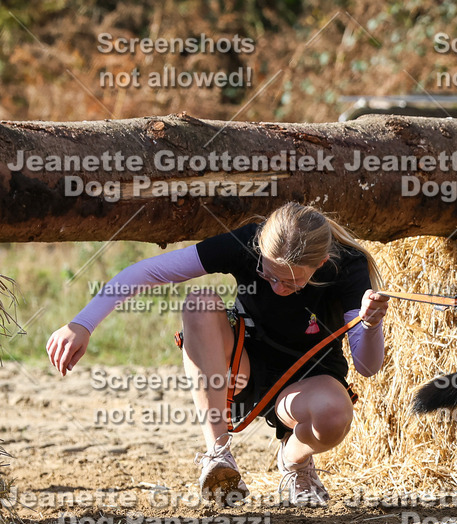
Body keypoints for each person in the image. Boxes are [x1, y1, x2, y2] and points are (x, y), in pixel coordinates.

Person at [46, 203, 390, 506]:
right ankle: (218, 456)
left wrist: (371, 325)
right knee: (200, 302)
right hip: (240, 368)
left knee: (334, 415)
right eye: (269, 276)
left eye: (292, 283)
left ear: (321, 263)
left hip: (307, 381)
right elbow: (149, 272)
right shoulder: (246, 242)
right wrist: (82, 324)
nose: (278, 289)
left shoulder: (347, 266)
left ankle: (295, 462)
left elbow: (368, 365)